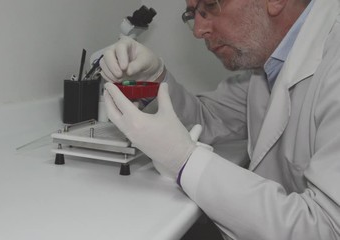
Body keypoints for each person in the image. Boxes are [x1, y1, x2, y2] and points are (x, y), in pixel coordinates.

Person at [100, 0, 340, 239]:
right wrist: (154, 80)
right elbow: (208, 119)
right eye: (193, 14)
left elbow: (326, 230)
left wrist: (186, 161)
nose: (198, 31)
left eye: (210, 6)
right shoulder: (268, 64)